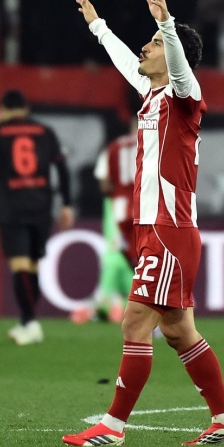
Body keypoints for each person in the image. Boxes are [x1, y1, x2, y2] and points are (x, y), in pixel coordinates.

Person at [63, 0, 224, 446]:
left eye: (155, 43)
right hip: (153, 229)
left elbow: (180, 70)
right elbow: (127, 61)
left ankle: (113, 427)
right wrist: (97, 25)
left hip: (170, 230)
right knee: (179, 331)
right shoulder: (152, 94)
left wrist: (167, 23)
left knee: (134, 322)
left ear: (175, 53)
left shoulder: (186, 96)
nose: (145, 46)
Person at [0, 90, 74, 345]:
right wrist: (66, 203)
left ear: (3, 109)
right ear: (26, 109)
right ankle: (27, 322)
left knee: (20, 265)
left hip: (12, 207)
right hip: (41, 205)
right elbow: (61, 167)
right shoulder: (44, 131)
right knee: (32, 266)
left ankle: (30, 323)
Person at [71, 125, 137, 325]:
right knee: (141, 259)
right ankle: (122, 305)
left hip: (119, 205)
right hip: (148, 205)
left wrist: (117, 189)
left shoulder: (114, 148)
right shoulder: (158, 146)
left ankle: (105, 303)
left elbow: (104, 182)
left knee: (116, 252)